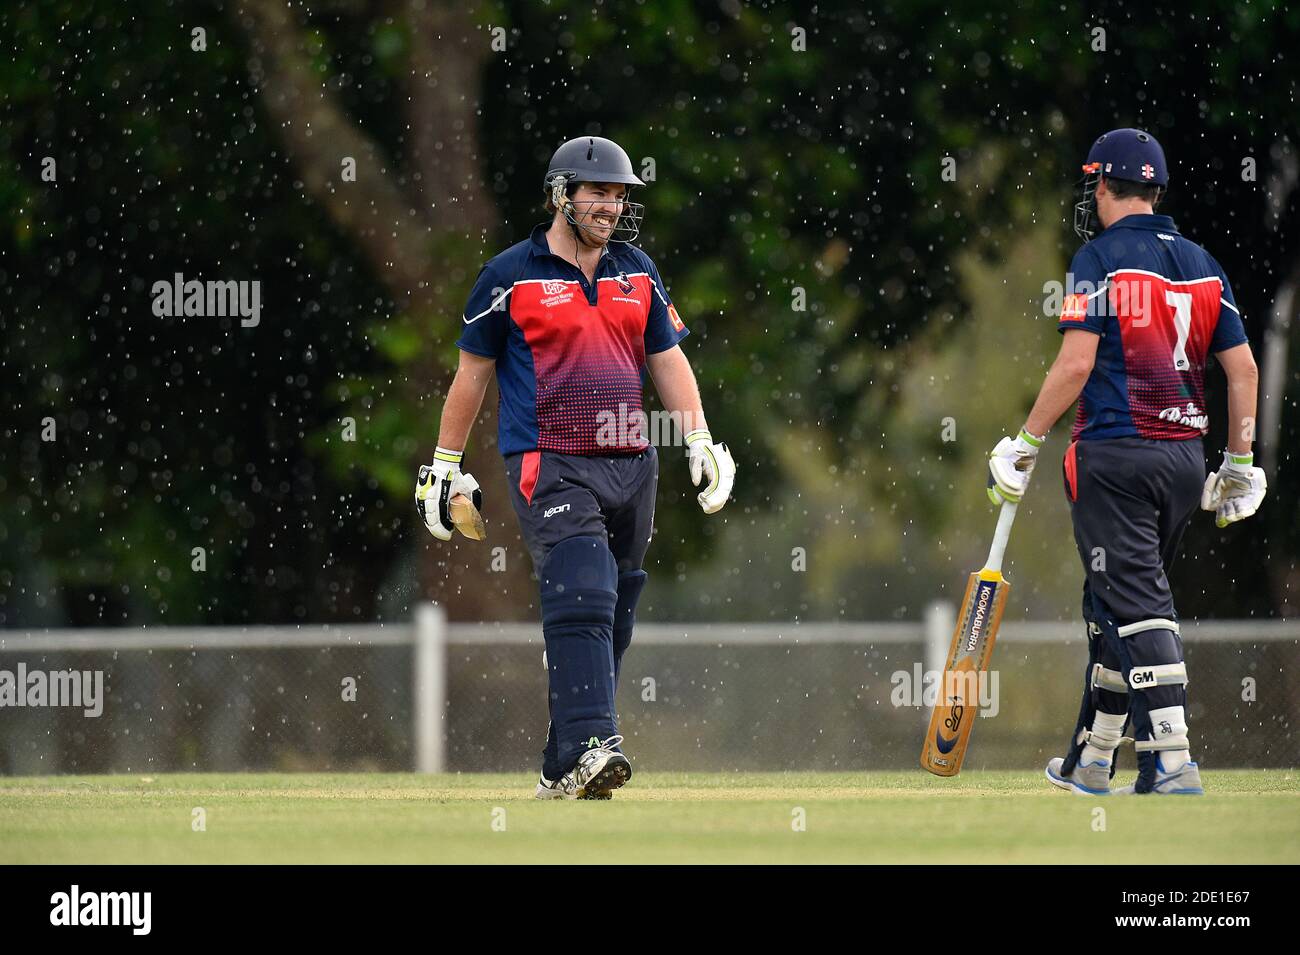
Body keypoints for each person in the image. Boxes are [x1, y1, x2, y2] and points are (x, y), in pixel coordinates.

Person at [415, 135, 736, 799]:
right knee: (583, 592)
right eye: (598, 192)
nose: (611, 206)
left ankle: (562, 762)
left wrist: (699, 438)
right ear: (561, 195)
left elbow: (667, 358)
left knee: (612, 610)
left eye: (619, 195)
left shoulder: (637, 271)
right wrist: (444, 465)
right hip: (549, 459)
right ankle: (596, 744)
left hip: (632, 460)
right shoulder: (509, 275)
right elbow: (471, 376)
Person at [986, 128, 1266, 795]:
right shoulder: (1202, 261)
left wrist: (1025, 440)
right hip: (1181, 462)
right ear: (1156, 190)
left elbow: (1077, 362)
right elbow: (1244, 369)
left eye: (1095, 186)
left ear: (1105, 187)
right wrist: (1238, 460)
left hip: (1114, 454)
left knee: (1137, 603)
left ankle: (1171, 758)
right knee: (1113, 600)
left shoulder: (1097, 257)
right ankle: (1095, 755)